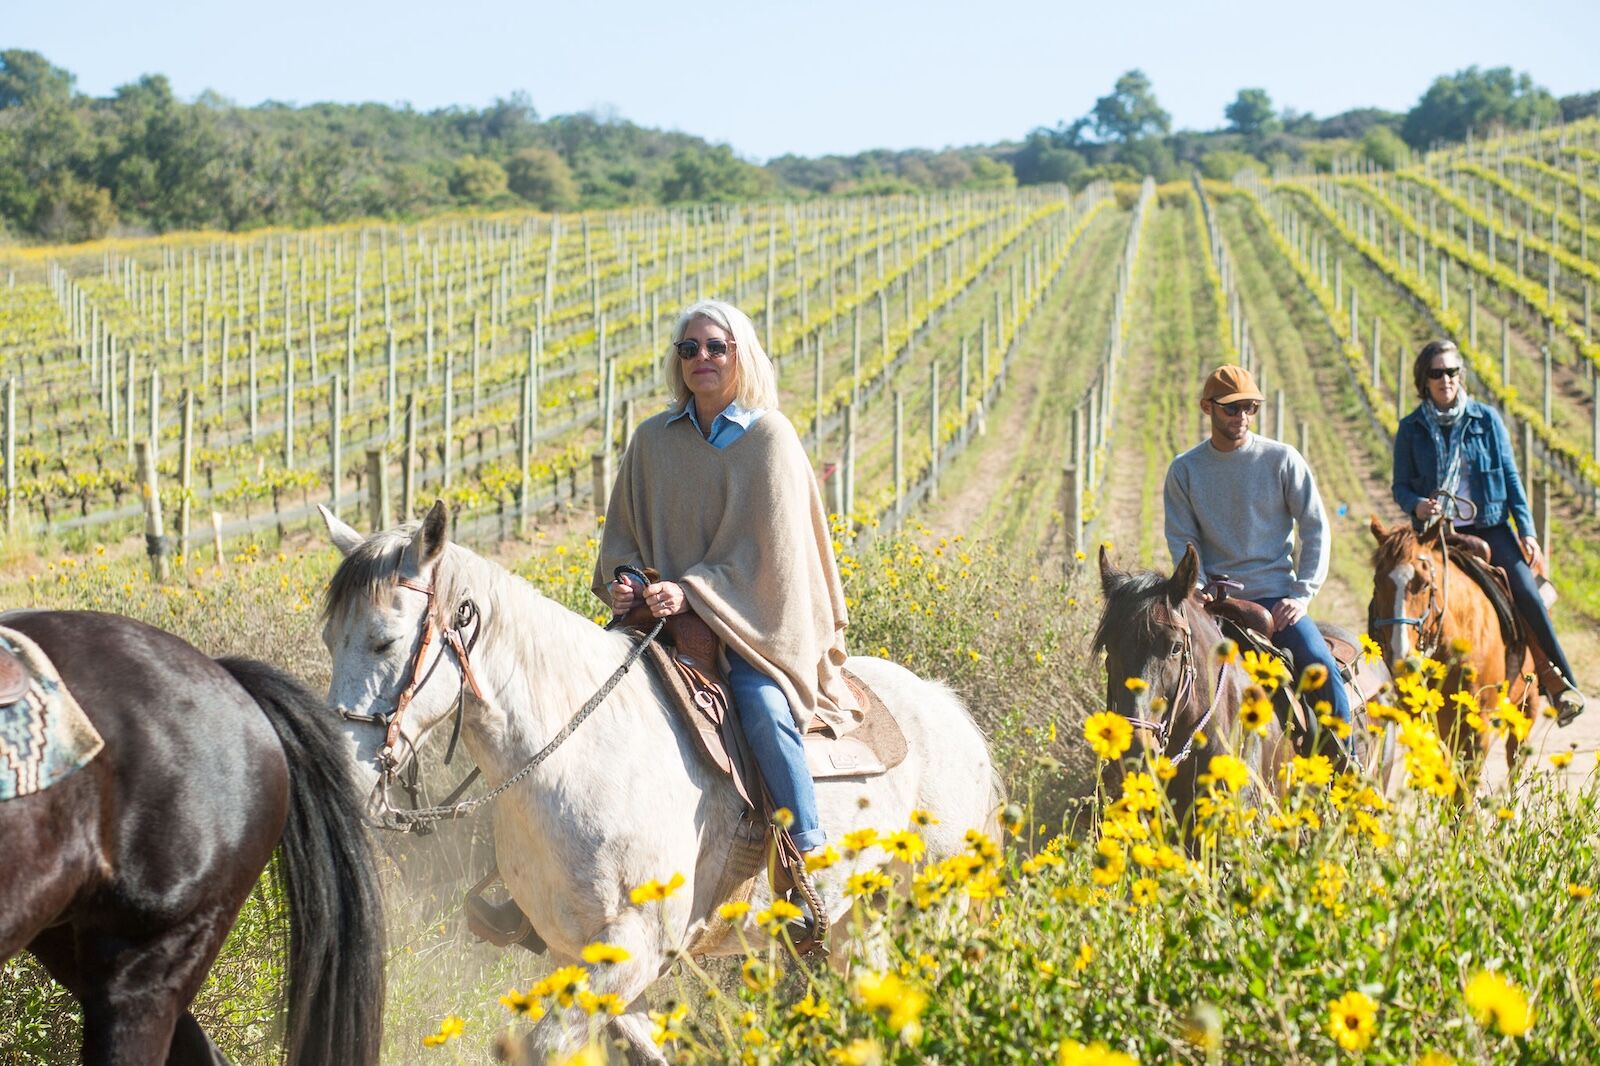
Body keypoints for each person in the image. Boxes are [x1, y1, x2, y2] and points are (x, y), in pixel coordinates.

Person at [594, 298, 858, 904]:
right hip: (655, 624)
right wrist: (629, 579)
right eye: (690, 349)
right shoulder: (652, 440)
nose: (702, 359)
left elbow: (772, 562)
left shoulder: (770, 438)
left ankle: (805, 857)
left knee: (761, 706)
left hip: (747, 624)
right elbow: (622, 536)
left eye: (717, 347)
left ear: (742, 354)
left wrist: (689, 592)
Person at [1392, 338, 1586, 725]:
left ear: (1460, 375)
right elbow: (1400, 486)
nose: (1445, 379)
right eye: (1436, 373)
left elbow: (1511, 478)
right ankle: (1395, 683)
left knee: (1527, 593)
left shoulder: (1486, 419)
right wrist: (1416, 503)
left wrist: (1526, 530)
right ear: (1424, 380)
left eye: (1451, 371)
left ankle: (1560, 684)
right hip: (1438, 531)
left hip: (1491, 525)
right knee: (1394, 587)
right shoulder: (1410, 428)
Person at [1163, 364, 1351, 736]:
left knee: (1319, 664)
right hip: (1214, 605)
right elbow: (1183, 538)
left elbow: (1314, 528)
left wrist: (1301, 595)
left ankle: (1346, 765)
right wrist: (1197, 588)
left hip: (1276, 601)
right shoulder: (1184, 471)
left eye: (1250, 407)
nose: (1242, 416)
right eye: (1232, 408)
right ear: (1207, 408)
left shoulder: (1282, 459)